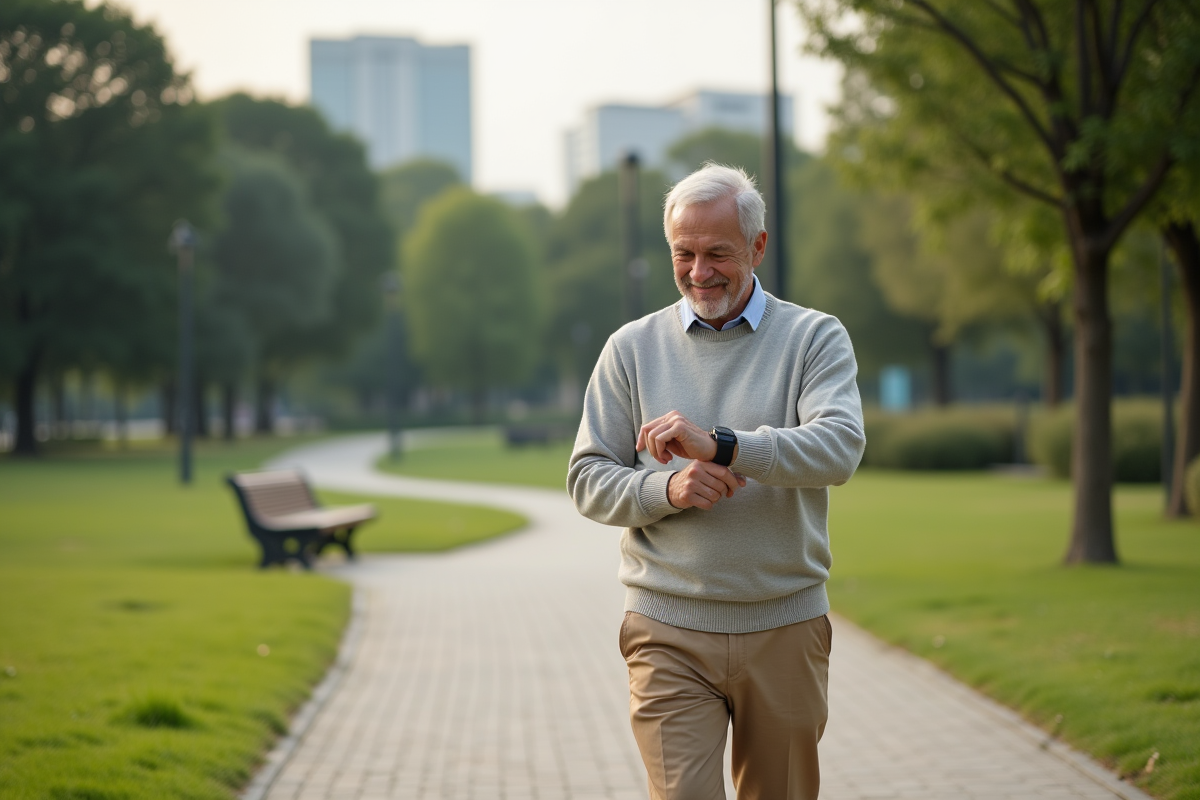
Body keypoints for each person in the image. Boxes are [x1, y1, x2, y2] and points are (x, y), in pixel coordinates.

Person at [567, 163, 865, 800]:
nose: (699, 272)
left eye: (718, 254)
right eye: (684, 253)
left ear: (757, 247)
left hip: (784, 625)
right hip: (666, 629)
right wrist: (665, 491)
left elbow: (839, 449)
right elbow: (588, 477)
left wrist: (726, 446)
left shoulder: (814, 338)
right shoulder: (630, 348)